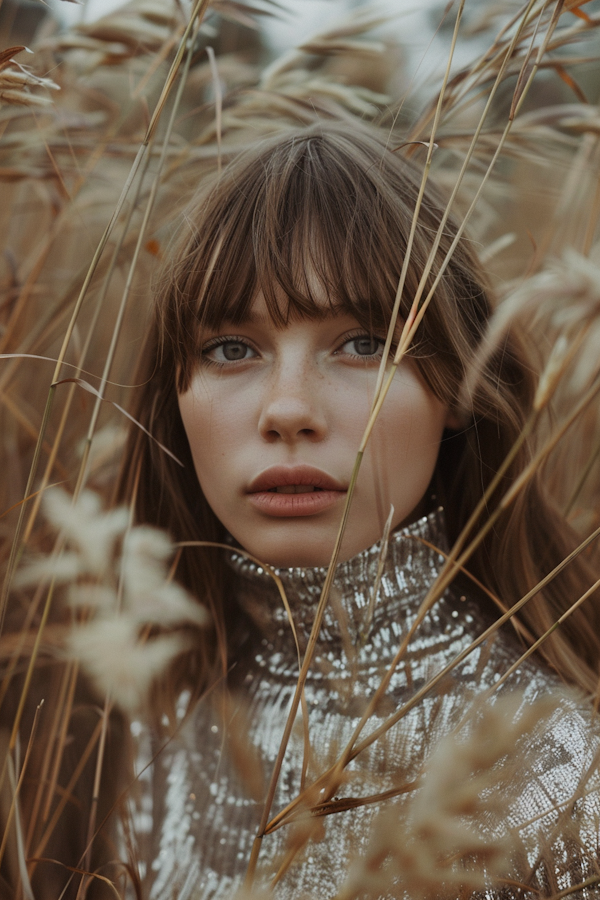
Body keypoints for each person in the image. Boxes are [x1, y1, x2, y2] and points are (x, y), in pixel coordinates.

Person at [117, 121, 600, 899]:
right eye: (232, 348)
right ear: (173, 400)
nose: (288, 409)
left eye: (365, 342)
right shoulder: (160, 702)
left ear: (458, 390)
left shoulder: (556, 760)